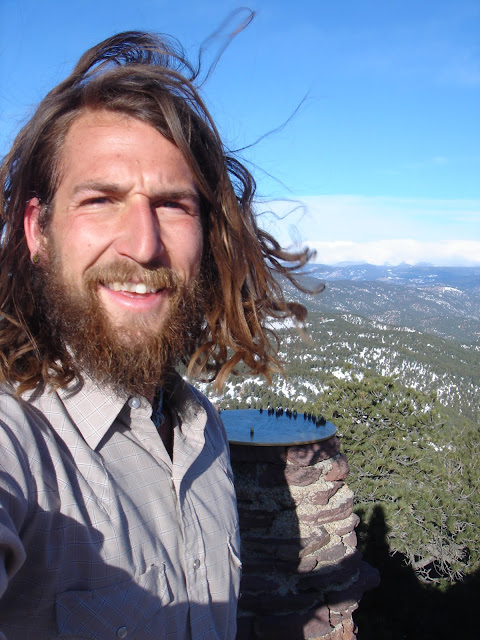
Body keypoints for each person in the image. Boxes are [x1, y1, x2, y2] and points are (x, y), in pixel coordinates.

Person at [0, 31, 314, 639]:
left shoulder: (202, 429)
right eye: (100, 199)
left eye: (172, 204)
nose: (144, 245)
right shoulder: (20, 439)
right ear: (38, 231)